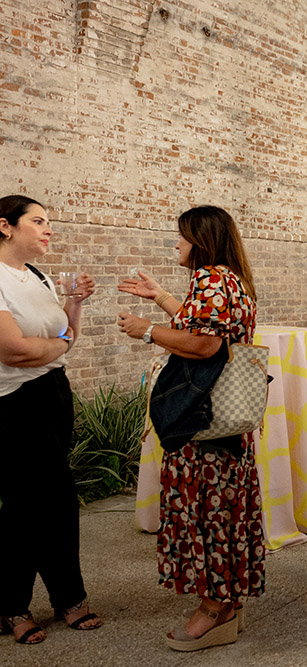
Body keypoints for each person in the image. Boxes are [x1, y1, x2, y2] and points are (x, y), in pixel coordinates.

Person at [117, 205, 263, 651]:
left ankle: (213, 608)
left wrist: (148, 330)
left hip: (201, 419)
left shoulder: (211, 278)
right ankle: (227, 604)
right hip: (224, 424)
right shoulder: (228, 278)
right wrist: (161, 296)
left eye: (180, 237)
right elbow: (205, 322)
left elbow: (205, 343)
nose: (175, 244)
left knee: (206, 511)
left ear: (200, 240)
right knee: (223, 509)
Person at [0, 195, 100, 645]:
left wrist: (74, 303)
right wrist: (58, 346)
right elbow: (14, 351)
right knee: (28, 505)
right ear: (5, 226)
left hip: (53, 395)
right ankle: (15, 607)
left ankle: (65, 597)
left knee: (56, 501)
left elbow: (68, 334)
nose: (48, 229)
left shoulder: (36, 276)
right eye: (38, 221)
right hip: (14, 403)